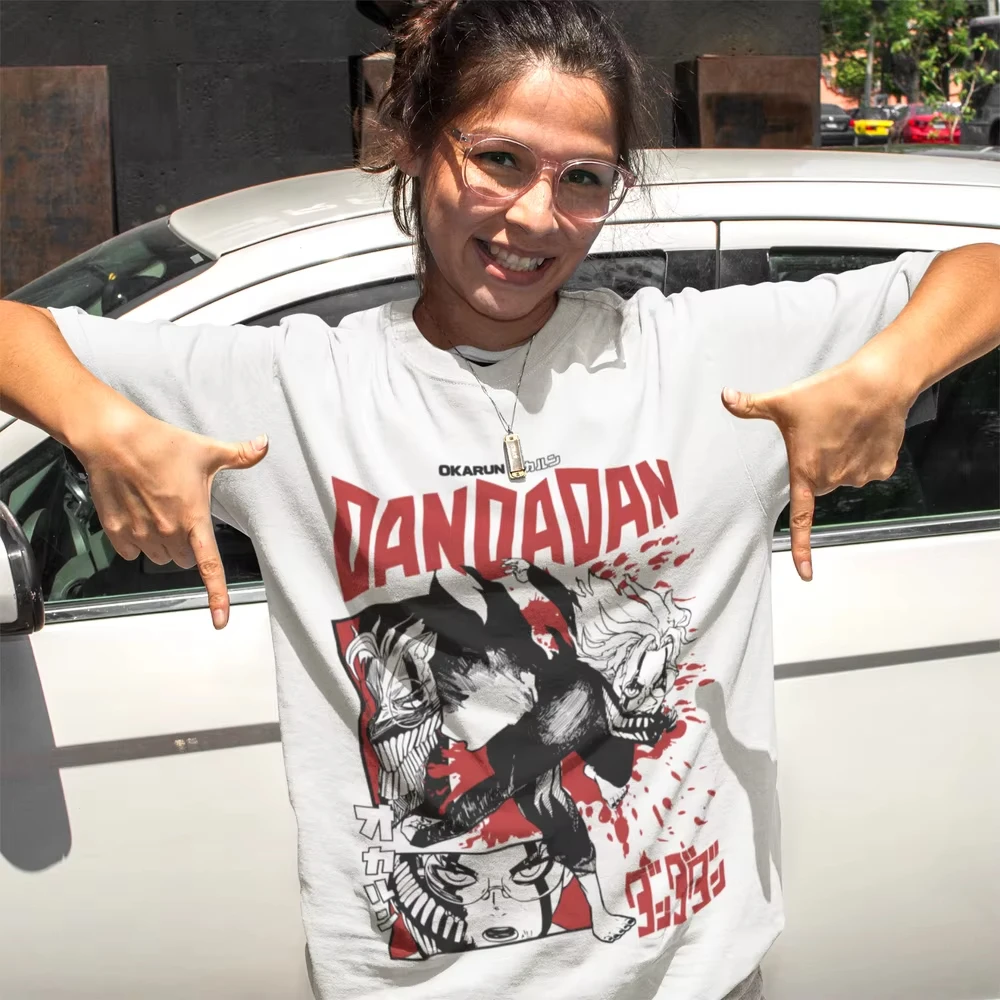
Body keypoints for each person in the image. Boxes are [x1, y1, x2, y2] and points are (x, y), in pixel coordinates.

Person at [0, 1, 998, 997]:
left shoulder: (697, 360)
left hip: (691, 978)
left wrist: (888, 373)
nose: (535, 217)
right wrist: (105, 426)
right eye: (499, 161)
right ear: (412, 143)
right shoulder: (297, 389)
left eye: (584, 178)